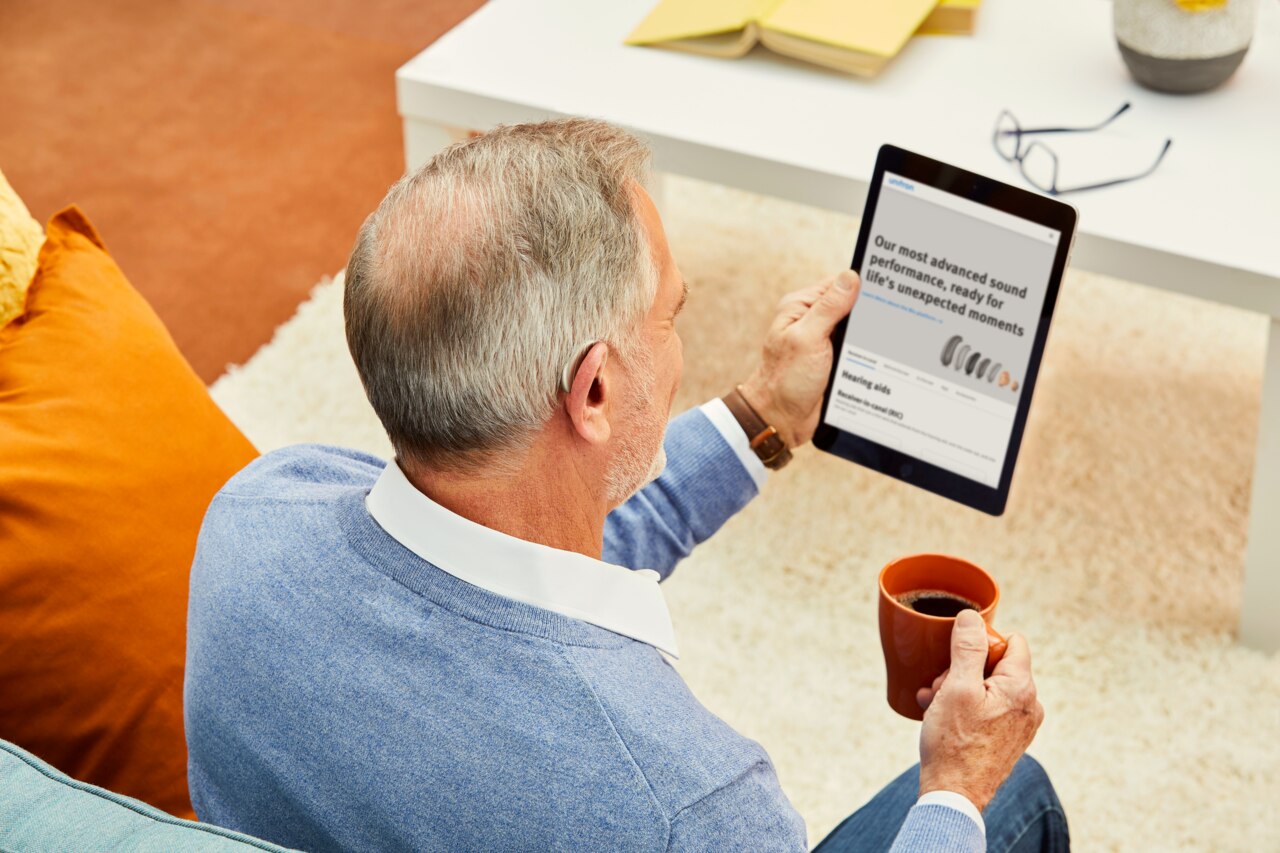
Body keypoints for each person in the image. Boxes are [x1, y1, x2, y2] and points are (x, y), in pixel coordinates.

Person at [185, 118, 1068, 852]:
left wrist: (764, 414)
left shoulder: (256, 512)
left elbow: (523, 530)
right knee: (1011, 792)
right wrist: (957, 784)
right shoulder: (686, 806)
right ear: (595, 389)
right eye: (671, 316)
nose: (679, 341)